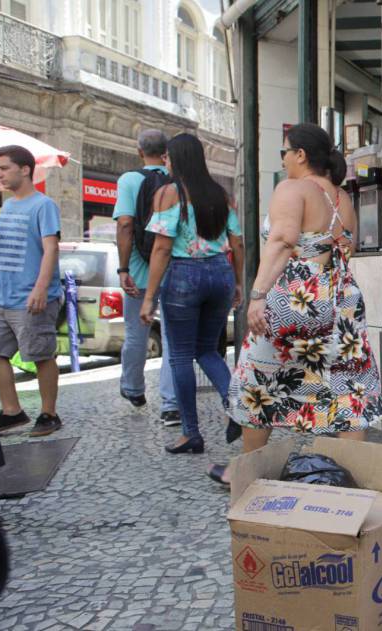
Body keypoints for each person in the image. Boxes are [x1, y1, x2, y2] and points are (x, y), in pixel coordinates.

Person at [216, 123, 382, 484]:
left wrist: (258, 295)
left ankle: (247, 470)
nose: (284, 159)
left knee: (257, 381)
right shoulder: (342, 200)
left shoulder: (293, 189)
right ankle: (350, 475)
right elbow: (345, 251)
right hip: (341, 300)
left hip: (296, 297)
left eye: (285, 152)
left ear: (301, 155)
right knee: (347, 387)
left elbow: (281, 241)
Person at [139, 133, 244, 455]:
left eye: (168, 157)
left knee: (181, 355)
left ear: (178, 159)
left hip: (184, 274)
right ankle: (237, 408)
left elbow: (161, 247)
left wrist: (149, 297)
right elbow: (237, 242)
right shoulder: (220, 194)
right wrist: (238, 282)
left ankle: (191, 434)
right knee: (208, 351)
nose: (166, 162)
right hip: (220, 275)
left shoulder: (168, 194)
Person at [0, 145, 66, 437]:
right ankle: (12, 411)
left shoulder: (43, 205)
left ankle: (49, 414)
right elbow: (6, 244)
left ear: (25, 169)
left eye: (4, 168)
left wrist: (41, 288)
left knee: (41, 355)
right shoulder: (7, 206)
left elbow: (50, 248)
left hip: (31, 296)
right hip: (1, 296)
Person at [113, 129, 180, 425]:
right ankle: (171, 404)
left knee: (135, 334)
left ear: (140, 152)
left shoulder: (129, 180)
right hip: (174, 270)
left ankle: (133, 388)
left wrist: (124, 268)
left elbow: (126, 225)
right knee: (173, 340)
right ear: (166, 153)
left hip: (140, 273)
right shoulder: (176, 181)